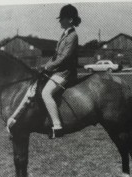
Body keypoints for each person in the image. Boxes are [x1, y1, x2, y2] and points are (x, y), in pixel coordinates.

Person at [41, 4, 81, 139]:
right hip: (57, 70)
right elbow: (56, 55)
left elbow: (65, 57)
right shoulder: (64, 34)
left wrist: (49, 67)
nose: (60, 21)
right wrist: (45, 65)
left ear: (70, 20)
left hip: (65, 72)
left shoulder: (72, 36)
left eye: (62, 18)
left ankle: (57, 126)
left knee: (46, 93)